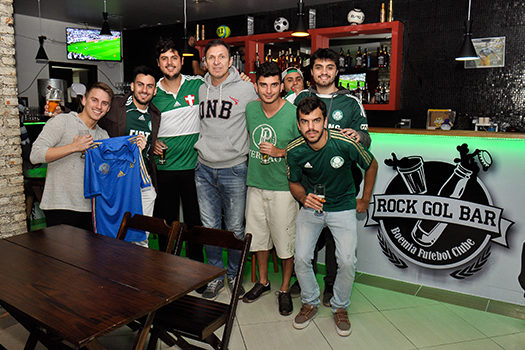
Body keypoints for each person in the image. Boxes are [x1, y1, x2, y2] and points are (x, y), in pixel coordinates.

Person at [286, 96, 378, 336]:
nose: (311, 127)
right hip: (311, 208)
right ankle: (310, 302)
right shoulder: (294, 151)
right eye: (305, 122)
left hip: (342, 207)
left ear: (325, 120)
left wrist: (365, 199)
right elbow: (294, 183)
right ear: (298, 124)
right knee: (301, 258)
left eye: (316, 121)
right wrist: (303, 197)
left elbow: (372, 164)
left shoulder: (344, 143)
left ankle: (340, 307)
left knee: (347, 261)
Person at [292, 48, 371, 305]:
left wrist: (357, 137)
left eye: (329, 67)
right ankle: (307, 281)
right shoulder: (300, 98)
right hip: (309, 182)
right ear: (311, 71)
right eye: (318, 67)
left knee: (337, 244)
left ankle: (331, 287)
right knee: (308, 242)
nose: (323, 72)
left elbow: (366, 139)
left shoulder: (351, 101)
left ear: (336, 71)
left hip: (342, 182)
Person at [195, 39, 258, 299]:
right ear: (205, 62)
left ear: (231, 61)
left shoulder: (246, 89)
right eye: (212, 57)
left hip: (234, 168)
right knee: (209, 228)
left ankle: (234, 274)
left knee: (234, 229)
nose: (217, 62)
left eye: (222, 57)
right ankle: (214, 276)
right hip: (204, 168)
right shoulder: (199, 88)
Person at [242, 62, 300, 316]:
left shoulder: (293, 112)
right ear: (256, 86)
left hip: (282, 188)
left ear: (281, 86)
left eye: (274, 84)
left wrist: (280, 151)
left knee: (285, 242)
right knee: (258, 239)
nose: (268, 90)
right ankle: (263, 282)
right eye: (263, 85)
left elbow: (305, 148)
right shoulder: (251, 109)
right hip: (255, 183)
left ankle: (285, 288)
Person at [30, 82, 114, 230]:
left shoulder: (103, 136)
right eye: (94, 100)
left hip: (90, 209)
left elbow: (105, 173)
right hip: (59, 206)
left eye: (104, 103)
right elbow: (35, 155)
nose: (98, 106)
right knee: (58, 254)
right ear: (83, 100)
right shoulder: (62, 121)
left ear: (108, 109)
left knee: (88, 254)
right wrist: (73, 147)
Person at [151, 37, 204, 263]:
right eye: (165, 58)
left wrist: (240, 76)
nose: (170, 62)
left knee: (194, 221)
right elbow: (139, 122)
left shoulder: (198, 84)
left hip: (195, 166)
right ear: (158, 63)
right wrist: (151, 142)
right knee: (167, 222)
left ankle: (196, 268)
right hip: (165, 168)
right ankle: (168, 266)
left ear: (182, 61)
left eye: (174, 58)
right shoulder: (152, 92)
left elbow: (223, 84)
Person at [98, 65, 160, 220]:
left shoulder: (155, 115)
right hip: (118, 180)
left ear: (155, 91)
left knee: (142, 231)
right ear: (132, 86)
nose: (144, 90)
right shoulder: (115, 107)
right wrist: (62, 111)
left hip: (143, 181)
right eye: (140, 84)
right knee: (118, 229)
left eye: (149, 86)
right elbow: (91, 114)